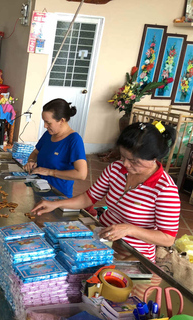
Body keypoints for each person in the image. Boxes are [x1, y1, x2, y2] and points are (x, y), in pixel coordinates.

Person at [31, 122, 181, 262]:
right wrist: (57, 204)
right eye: (123, 157)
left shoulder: (165, 189)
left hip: (133, 254)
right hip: (101, 241)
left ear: (153, 158)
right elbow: (89, 197)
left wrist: (129, 229)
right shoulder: (116, 169)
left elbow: (167, 238)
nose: (126, 164)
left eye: (134, 161)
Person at [23, 98, 87, 198]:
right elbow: (35, 153)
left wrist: (50, 172)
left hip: (57, 194)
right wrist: (31, 161)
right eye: (44, 122)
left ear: (61, 121)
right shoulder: (48, 135)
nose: (45, 126)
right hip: (39, 188)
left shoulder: (74, 140)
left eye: (48, 123)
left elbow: (81, 174)